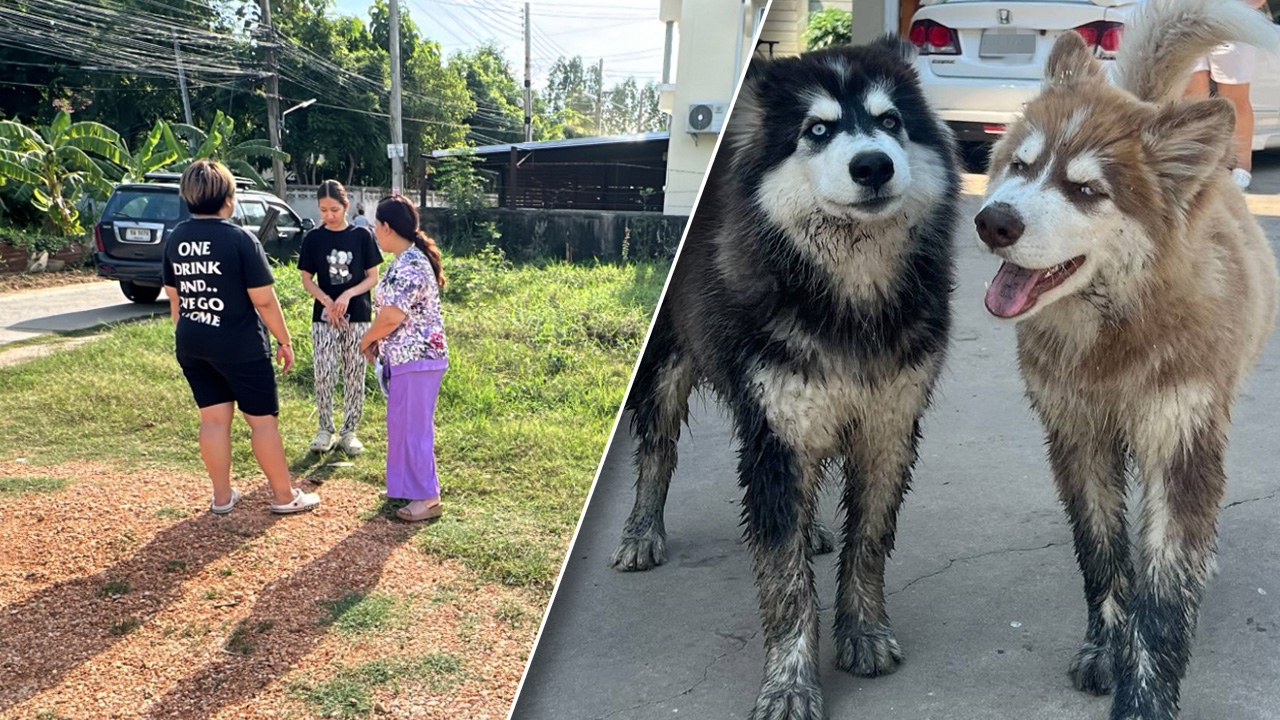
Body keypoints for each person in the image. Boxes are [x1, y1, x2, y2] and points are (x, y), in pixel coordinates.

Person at [162, 160, 320, 515]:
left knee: (213, 420)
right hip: (240, 344)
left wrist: (191, 332)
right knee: (262, 422)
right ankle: (283, 496)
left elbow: (175, 298)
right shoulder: (240, 238)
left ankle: (221, 497)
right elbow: (263, 299)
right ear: (228, 199)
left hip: (192, 341)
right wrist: (284, 340)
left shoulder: (176, 238)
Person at [360, 195, 449, 522]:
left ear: (386, 227)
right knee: (402, 425)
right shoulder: (405, 259)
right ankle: (406, 487)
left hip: (418, 358)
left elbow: (391, 317)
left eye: (375, 225)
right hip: (407, 359)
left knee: (414, 429)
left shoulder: (410, 264)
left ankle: (428, 498)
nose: (374, 231)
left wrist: (367, 339)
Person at [297, 180, 383, 456]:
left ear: (346, 206)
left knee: (353, 372)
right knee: (324, 372)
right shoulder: (313, 238)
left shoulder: (361, 236)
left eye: (334, 209)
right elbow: (306, 278)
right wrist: (327, 300)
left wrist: (347, 295)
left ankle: (349, 431)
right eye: (323, 210)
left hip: (357, 315)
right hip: (324, 315)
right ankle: (324, 429)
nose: (329, 215)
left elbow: (372, 277)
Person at [1184, 0, 1268, 190]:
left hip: (1232, 21)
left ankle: (1242, 165)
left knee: (1233, 97)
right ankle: (1202, 161)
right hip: (1190, 18)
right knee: (1194, 98)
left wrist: (1244, 8)